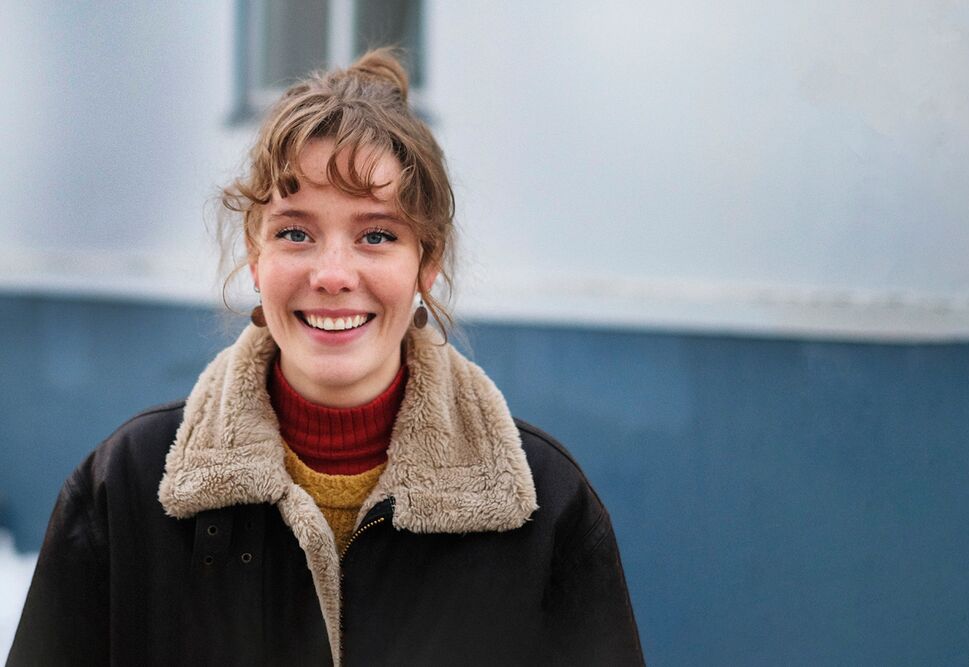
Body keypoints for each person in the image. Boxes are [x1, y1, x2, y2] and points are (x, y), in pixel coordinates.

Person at [9, 49, 643, 666]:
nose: (333, 274)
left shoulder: (544, 505)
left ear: (426, 264)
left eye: (376, 235)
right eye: (295, 233)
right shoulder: (126, 489)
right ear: (255, 257)